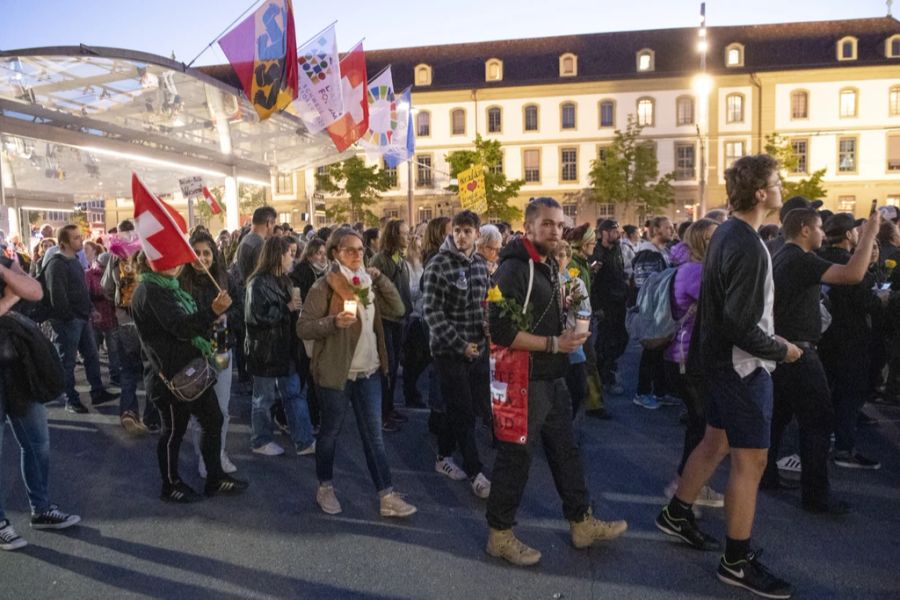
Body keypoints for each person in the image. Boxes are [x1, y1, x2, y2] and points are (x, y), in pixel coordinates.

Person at [656, 154, 801, 599]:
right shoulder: (747, 243)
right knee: (750, 461)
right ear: (761, 192)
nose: (781, 187)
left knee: (715, 441)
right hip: (743, 367)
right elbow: (740, 323)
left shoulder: (727, 234)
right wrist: (784, 349)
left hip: (722, 364)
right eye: (776, 182)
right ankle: (736, 562)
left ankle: (677, 513)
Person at [486, 197, 627, 566]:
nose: (555, 230)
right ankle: (499, 535)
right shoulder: (514, 270)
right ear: (529, 226)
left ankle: (581, 522)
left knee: (566, 451)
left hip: (552, 377)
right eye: (547, 223)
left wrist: (567, 329)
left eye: (559, 224)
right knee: (515, 458)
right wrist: (554, 343)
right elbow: (500, 331)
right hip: (525, 380)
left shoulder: (548, 264)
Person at [763, 207, 879, 515]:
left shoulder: (781, 255)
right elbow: (853, 275)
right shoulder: (801, 259)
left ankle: (767, 476)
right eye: (818, 228)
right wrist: (869, 234)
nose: (823, 234)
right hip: (799, 352)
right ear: (803, 229)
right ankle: (816, 496)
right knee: (817, 422)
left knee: (778, 419)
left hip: (782, 350)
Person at [297, 227, 417, 518]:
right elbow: (303, 327)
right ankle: (325, 487)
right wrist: (332, 322)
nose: (356, 255)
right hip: (337, 374)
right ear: (335, 253)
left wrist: (381, 278)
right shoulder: (323, 287)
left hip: (369, 372)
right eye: (349, 250)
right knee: (330, 434)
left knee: (374, 437)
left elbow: (399, 308)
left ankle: (386, 496)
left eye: (360, 249)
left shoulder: (367, 285)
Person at [131, 252, 248, 502]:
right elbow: (180, 327)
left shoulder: (170, 287)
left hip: (191, 370)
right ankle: (170, 484)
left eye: (174, 258)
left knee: (213, 420)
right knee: (174, 431)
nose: (174, 263)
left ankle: (214, 477)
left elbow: (186, 324)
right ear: (150, 262)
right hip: (171, 377)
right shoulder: (150, 290)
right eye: (165, 259)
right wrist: (212, 311)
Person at [0, 254, 80, 550]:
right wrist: (9, 299)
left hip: (19, 367)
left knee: (37, 443)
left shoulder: (3, 260)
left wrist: (4, 273)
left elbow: (34, 290)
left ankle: (42, 508)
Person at [422, 211, 492, 496]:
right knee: (462, 410)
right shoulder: (438, 265)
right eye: (457, 231)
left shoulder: (479, 264)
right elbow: (432, 313)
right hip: (449, 352)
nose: (461, 236)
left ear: (477, 234)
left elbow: (484, 302)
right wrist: (459, 344)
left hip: (477, 348)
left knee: (469, 407)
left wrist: (488, 325)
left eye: (467, 231)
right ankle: (476, 471)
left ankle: (443, 455)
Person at [660, 219, 724, 511]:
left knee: (701, 424)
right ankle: (683, 485)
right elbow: (724, 308)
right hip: (687, 358)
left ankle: (693, 483)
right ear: (699, 242)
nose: (717, 242)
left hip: (688, 356)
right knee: (701, 425)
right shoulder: (696, 271)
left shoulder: (694, 268)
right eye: (711, 238)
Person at [817, 213, 884, 470]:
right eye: (856, 230)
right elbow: (863, 298)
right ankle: (844, 448)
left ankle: (832, 439)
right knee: (850, 394)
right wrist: (881, 300)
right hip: (850, 338)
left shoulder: (818, 258)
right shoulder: (848, 264)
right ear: (848, 235)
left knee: (831, 391)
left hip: (825, 337)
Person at [245, 236, 315, 457]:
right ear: (278, 256)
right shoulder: (257, 283)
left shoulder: (285, 280)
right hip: (265, 350)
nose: (292, 259)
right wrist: (287, 307)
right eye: (289, 254)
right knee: (263, 398)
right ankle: (261, 439)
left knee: (294, 393)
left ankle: (304, 440)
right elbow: (256, 316)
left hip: (286, 348)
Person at [179, 231, 241, 477]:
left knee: (223, 408)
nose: (201, 258)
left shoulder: (225, 280)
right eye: (196, 253)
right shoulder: (182, 283)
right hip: (194, 353)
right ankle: (204, 456)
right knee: (201, 412)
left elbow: (241, 310)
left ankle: (219, 451)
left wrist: (228, 316)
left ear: (214, 256)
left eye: (207, 253)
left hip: (221, 349)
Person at [45, 224, 118, 413]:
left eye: (79, 236)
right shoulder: (57, 264)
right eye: (76, 238)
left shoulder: (75, 261)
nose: (81, 240)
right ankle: (71, 399)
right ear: (64, 244)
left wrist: (90, 309)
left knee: (91, 356)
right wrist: (70, 317)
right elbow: (57, 297)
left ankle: (97, 392)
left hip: (82, 318)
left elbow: (82, 291)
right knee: (67, 362)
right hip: (69, 321)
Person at [103, 220, 158, 434]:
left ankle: (128, 412)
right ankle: (152, 418)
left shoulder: (115, 255)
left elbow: (106, 287)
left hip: (124, 320)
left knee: (127, 372)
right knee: (151, 370)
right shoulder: (146, 250)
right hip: (148, 320)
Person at [370, 219, 413, 431]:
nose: (409, 236)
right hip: (386, 321)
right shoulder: (380, 260)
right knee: (387, 367)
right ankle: (382, 414)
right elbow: (375, 292)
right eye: (404, 233)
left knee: (394, 367)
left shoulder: (401, 258)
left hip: (400, 320)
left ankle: (389, 408)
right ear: (394, 235)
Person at [631, 216, 675, 410]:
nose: (672, 231)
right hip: (652, 311)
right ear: (656, 230)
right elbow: (646, 285)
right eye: (667, 227)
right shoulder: (648, 253)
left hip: (660, 309)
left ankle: (660, 391)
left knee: (658, 353)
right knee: (650, 351)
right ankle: (642, 392)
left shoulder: (662, 251)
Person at [565, 224, 606, 418]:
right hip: (577, 323)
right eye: (592, 242)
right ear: (583, 244)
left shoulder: (581, 262)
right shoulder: (573, 264)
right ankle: (593, 404)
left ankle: (591, 401)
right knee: (587, 362)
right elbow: (575, 293)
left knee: (588, 360)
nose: (595, 245)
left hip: (584, 318)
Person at [593, 219, 629, 401]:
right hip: (606, 305)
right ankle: (604, 377)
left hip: (618, 302)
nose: (618, 234)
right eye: (614, 231)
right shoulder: (596, 253)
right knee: (606, 342)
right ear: (605, 232)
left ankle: (607, 371)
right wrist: (597, 307)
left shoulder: (617, 250)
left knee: (621, 338)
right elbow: (593, 282)